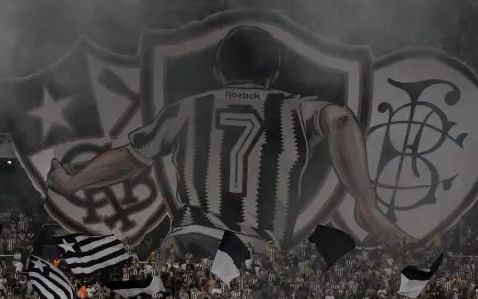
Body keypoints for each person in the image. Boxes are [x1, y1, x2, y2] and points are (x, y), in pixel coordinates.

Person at [47, 26, 405, 254]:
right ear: (274, 74)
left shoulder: (185, 110)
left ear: (219, 72)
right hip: (254, 248)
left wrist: (73, 182)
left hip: (188, 241)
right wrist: (365, 201)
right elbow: (342, 120)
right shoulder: (295, 110)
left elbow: (128, 158)